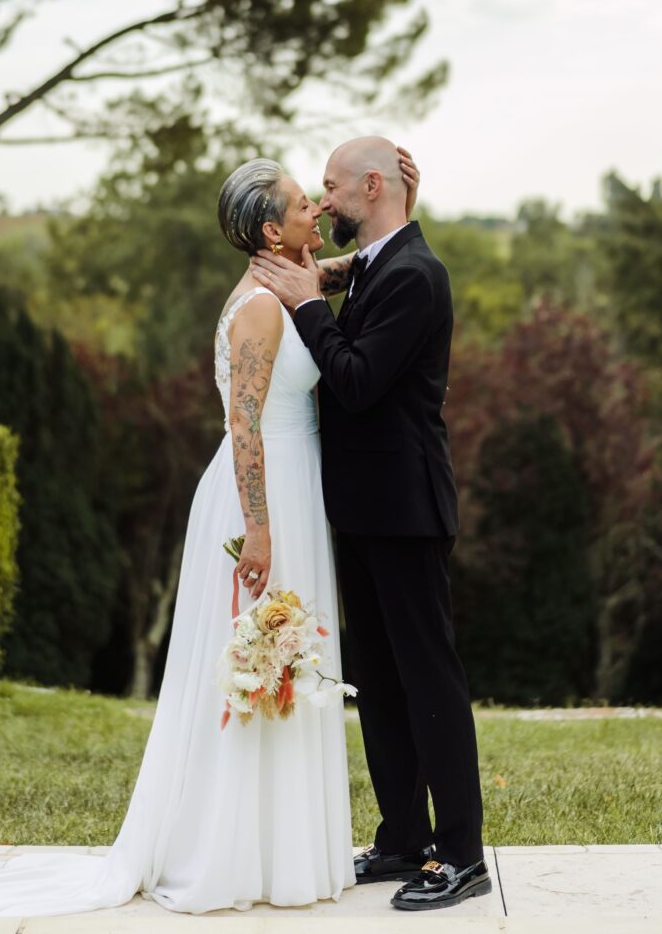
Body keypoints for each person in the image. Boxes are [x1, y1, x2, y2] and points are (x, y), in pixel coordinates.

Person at [0, 152, 419, 918]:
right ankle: (224, 853)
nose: (313, 212)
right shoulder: (259, 305)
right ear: (266, 229)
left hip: (294, 491)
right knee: (252, 670)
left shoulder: (292, 281)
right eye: (298, 205)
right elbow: (242, 422)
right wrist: (257, 530)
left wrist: (410, 198)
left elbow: (369, 262)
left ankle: (282, 851)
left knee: (291, 671)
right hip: (261, 499)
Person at [250, 136, 490, 912]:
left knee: (429, 681)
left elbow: (353, 381)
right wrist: (320, 278)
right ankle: (400, 838)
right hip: (358, 509)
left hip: (406, 511)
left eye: (331, 188)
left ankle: (459, 854)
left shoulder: (418, 276)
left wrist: (308, 305)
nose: (321, 204)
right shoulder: (383, 262)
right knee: (380, 684)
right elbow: (360, 268)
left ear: (375, 185)